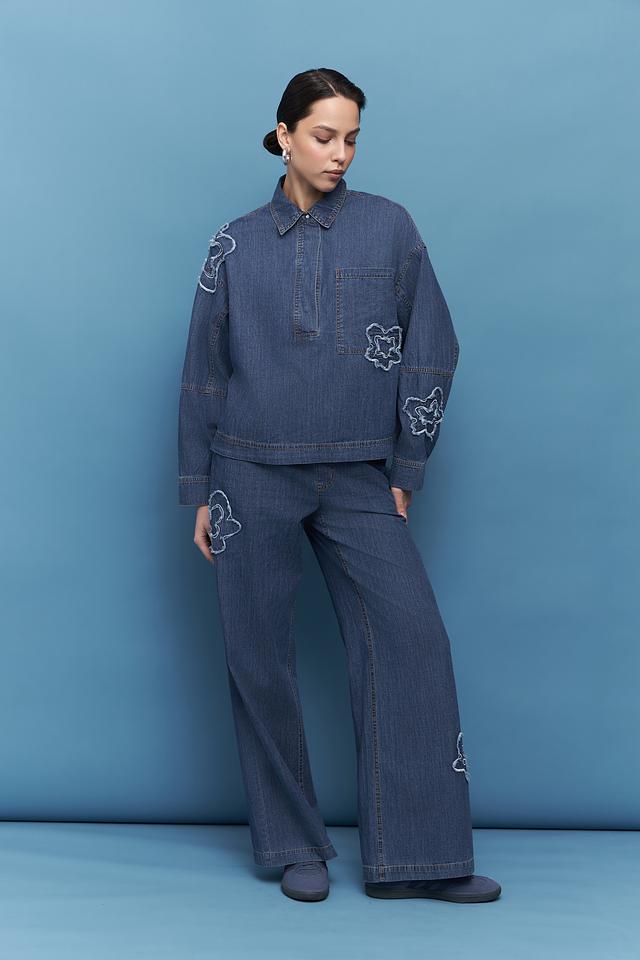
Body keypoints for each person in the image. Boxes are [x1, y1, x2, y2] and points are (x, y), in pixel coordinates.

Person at [177, 67, 501, 904]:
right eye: (324, 136)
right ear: (284, 135)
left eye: (352, 138)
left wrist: (408, 465)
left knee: (412, 644)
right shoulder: (234, 243)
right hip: (248, 473)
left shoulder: (389, 227)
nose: (340, 153)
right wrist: (199, 487)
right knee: (258, 657)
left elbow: (433, 344)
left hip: (358, 473)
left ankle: (422, 858)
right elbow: (204, 370)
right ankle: (295, 846)